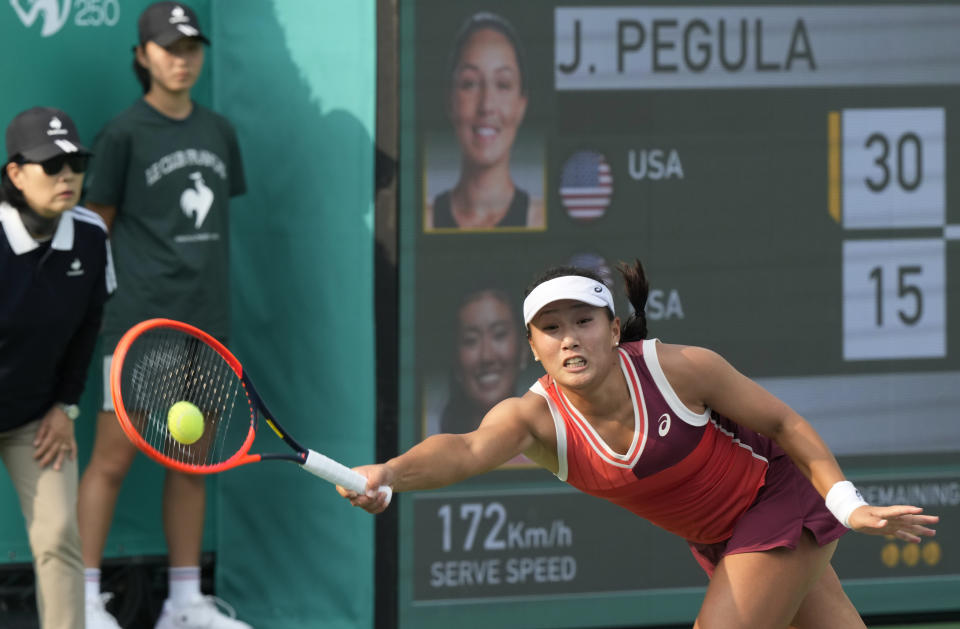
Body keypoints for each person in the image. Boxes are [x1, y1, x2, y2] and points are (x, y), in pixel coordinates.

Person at [343, 261, 940, 628]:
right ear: (533, 347)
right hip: (718, 539)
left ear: (614, 328)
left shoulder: (678, 369)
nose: (569, 339)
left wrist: (847, 505)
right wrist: (390, 473)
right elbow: (467, 450)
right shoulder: (535, 419)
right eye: (551, 329)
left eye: (583, 321)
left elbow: (784, 424)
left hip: (778, 502)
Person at [75, 3, 249, 628]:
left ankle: (185, 602)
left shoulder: (219, 130)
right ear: (143, 55)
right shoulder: (123, 134)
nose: (183, 58)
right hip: (139, 324)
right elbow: (97, 228)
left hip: (206, 324)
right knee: (112, 460)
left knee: (192, 460)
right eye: (169, 48)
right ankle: (85, 600)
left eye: (191, 47)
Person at [1, 106, 113, 628]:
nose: (67, 175)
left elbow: (88, 326)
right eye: (51, 165)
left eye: (75, 163)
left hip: (34, 419)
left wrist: (65, 405)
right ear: (16, 173)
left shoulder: (90, 235)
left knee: (58, 538)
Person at [425, 12, 544, 231]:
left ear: (522, 104)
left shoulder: (538, 218)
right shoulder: (424, 220)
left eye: (503, 84)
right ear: (449, 100)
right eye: (469, 84)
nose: (487, 105)